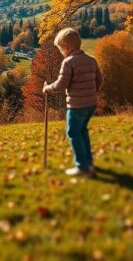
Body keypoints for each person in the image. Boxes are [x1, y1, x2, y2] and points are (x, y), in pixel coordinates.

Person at [43, 27, 103, 176]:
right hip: (91, 103)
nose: (61, 52)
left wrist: (47, 88)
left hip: (77, 106)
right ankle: (88, 162)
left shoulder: (69, 62)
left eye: (61, 49)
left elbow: (60, 84)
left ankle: (82, 167)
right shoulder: (91, 60)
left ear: (67, 47)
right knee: (82, 130)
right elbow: (100, 79)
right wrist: (93, 92)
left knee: (73, 132)